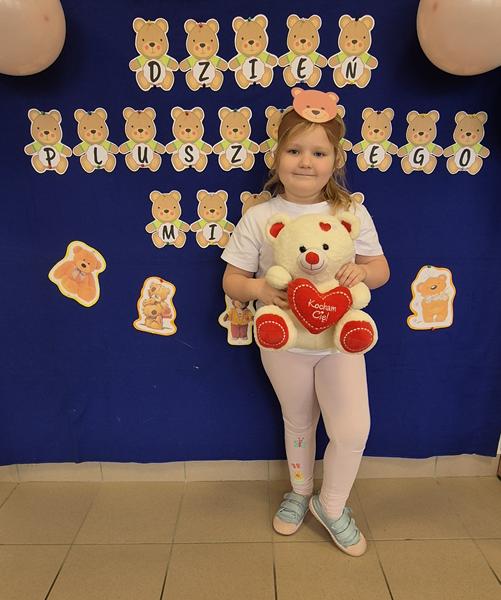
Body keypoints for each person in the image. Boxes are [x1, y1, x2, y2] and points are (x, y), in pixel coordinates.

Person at [221, 97, 390, 557]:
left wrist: (363, 272)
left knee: (352, 429)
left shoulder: (349, 213)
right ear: (276, 156)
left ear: (335, 160)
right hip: (284, 341)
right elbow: (232, 280)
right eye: (294, 151)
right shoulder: (260, 217)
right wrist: (259, 289)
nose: (305, 162)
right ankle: (299, 490)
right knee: (298, 419)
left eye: (318, 152)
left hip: (338, 341)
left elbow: (381, 269)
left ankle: (330, 505)